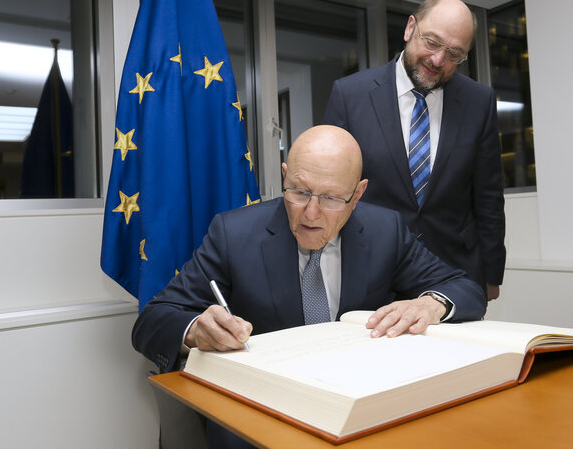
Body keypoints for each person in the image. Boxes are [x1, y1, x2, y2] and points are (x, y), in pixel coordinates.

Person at [132, 125, 487, 447]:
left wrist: (430, 304)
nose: (311, 213)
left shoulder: (385, 231)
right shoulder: (234, 234)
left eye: (332, 198)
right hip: (259, 418)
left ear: (358, 193)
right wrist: (196, 329)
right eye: (300, 191)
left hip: (359, 414)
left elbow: (464, 288)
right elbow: (153, 319)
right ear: (284, 176)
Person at [324, 0, 506, 301]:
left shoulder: (479, 101)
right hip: (371, 270)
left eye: (454, 54)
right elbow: (331, 188)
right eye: (432, 42)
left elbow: (488, 196)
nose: (438, 60)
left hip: (453, 273)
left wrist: (491, 275)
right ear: (410, 28)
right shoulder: (350, 94)